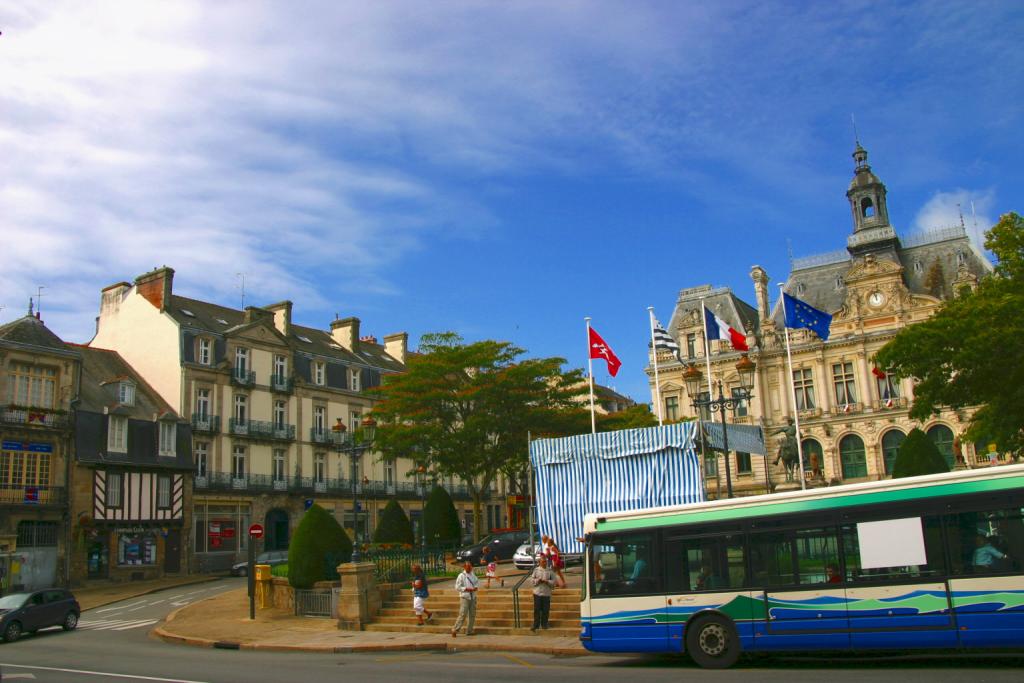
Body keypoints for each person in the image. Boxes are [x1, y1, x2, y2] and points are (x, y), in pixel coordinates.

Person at [451, 561, 479, 637]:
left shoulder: (473, 574)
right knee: (463, 613)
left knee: (472, 614)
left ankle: (469, 630)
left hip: (473, 596)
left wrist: (475, 587)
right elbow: (457, 587)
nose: (470, 568)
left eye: (470, 567)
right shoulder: (461, 576)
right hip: (465, 597)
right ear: (464, 567)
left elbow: (476, 582)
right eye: (468, 567)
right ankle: (455, 629)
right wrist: (466, 589)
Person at [530, 555, 556, 632]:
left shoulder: (550, 571)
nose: (545, 563)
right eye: (543, 562)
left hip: (546, 593)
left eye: (545, 562)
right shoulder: (536, 570)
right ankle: (536, 624)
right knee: (537, 609)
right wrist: (538, 580)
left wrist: (547, 581)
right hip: (537, 592)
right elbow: (532, 580)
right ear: (539, 562)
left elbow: (554, 581)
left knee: (545, 609)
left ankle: (544, 623)